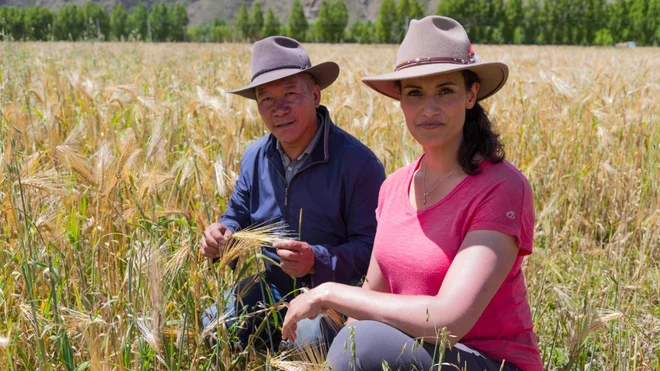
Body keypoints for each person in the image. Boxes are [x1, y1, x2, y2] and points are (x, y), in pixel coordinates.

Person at [281, 16, 543, 371]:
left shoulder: (501, 187)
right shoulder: (394, 187)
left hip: (487, 361)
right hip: (412, 349)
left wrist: (328, 291)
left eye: (445, 91)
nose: (428, 109)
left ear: (471, 94)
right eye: (415, 93)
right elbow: (372, 296)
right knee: (313, 332)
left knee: (359, 346)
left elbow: (451, 321)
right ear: (401, 101)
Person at [198, 36, 386, 351]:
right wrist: (221, 234)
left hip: (335, 294)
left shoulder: (359, 164)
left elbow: (374, 252)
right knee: (213, 327)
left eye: (290, 93)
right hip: (270, 287)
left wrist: (316, 261)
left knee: (306, 346)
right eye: (266, 99)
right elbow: (237, 215)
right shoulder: (255, 156)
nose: (279, 109)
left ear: (315, 95)